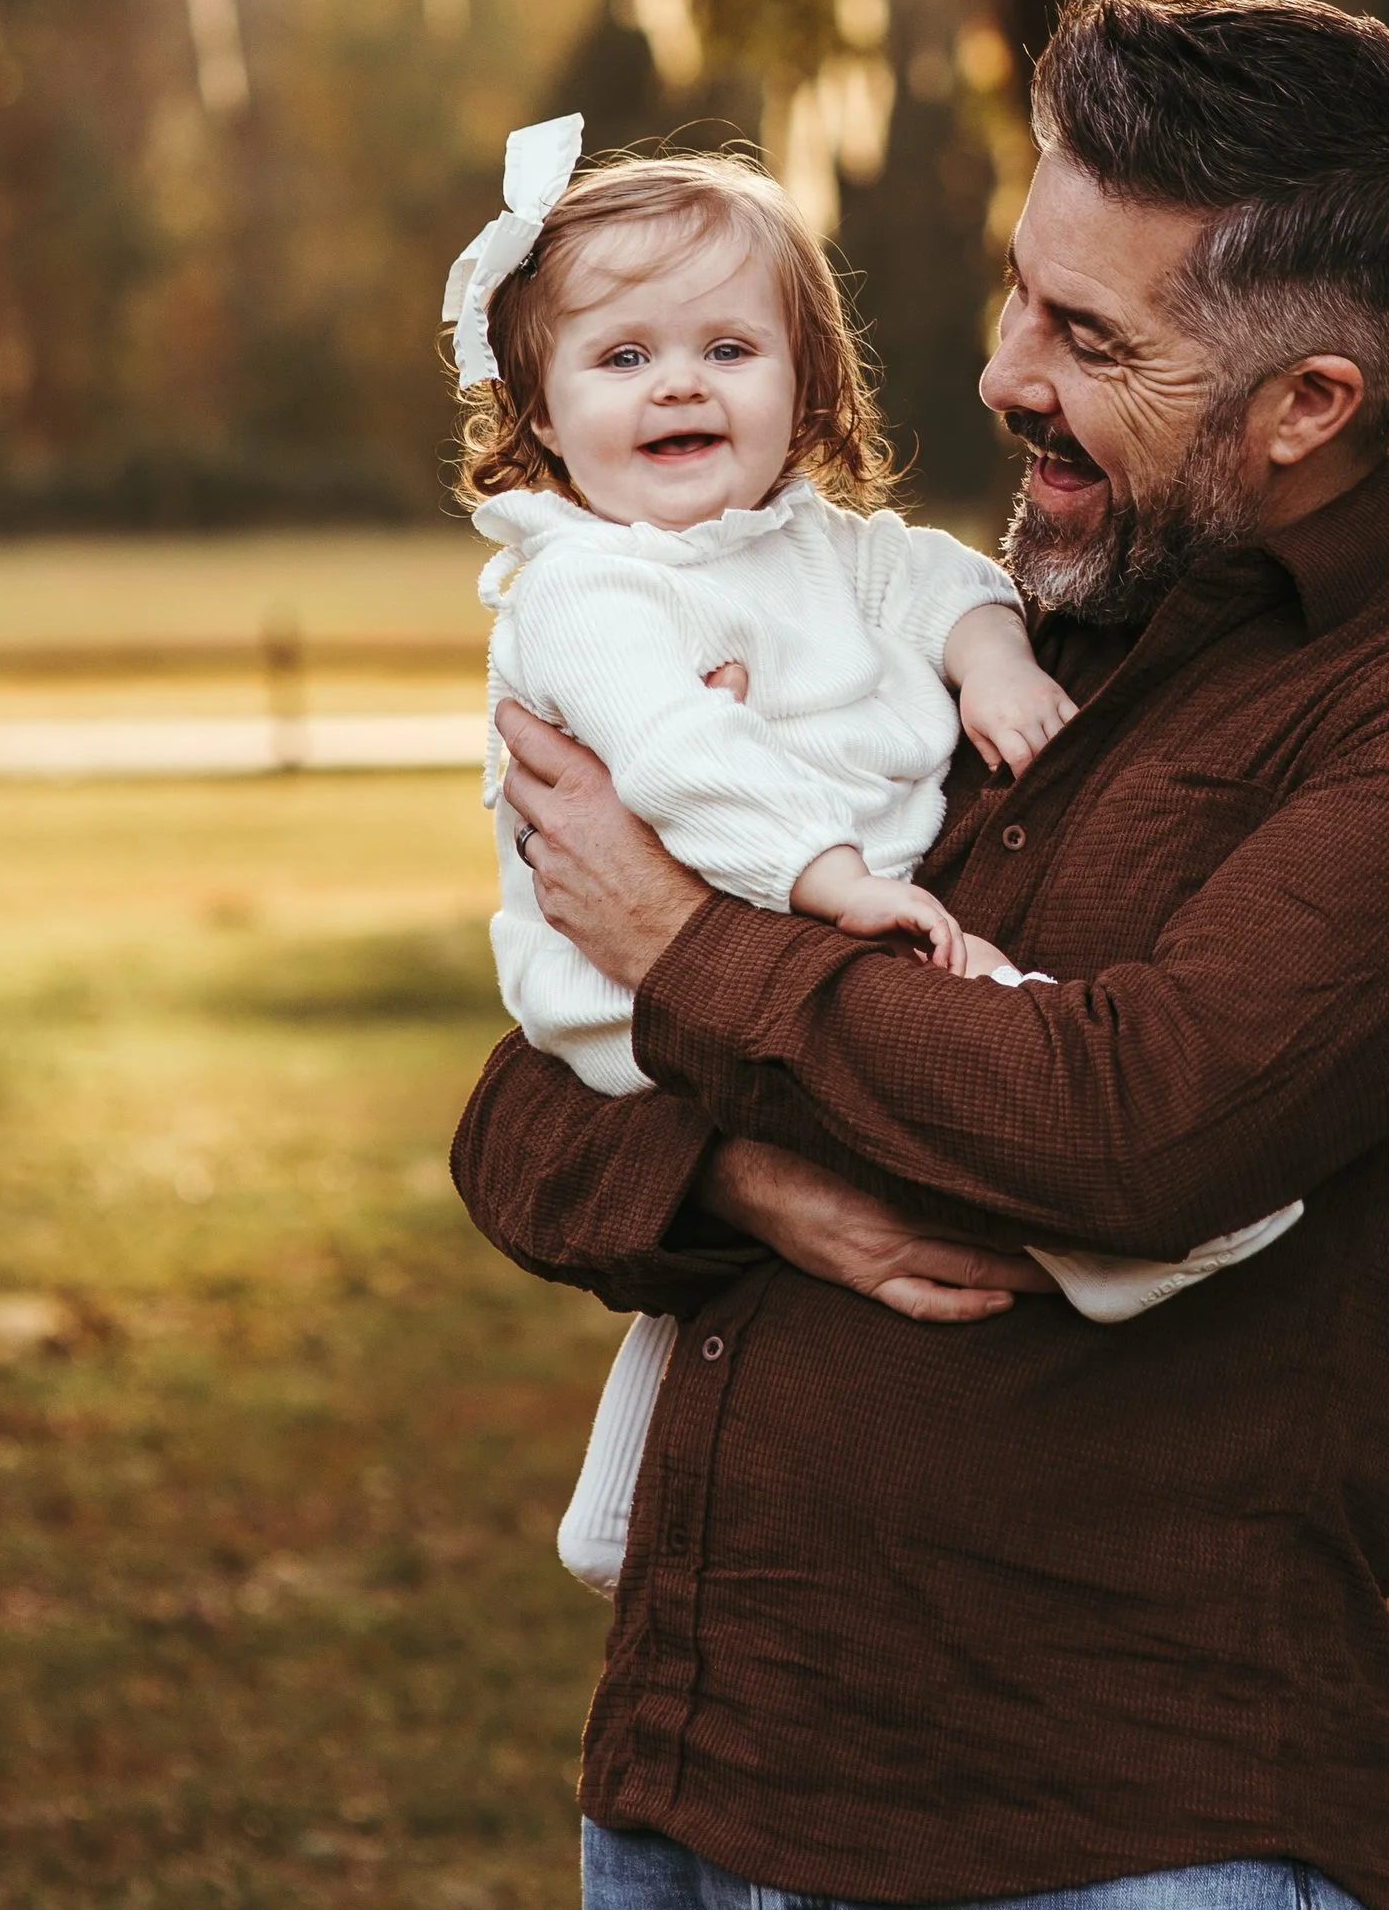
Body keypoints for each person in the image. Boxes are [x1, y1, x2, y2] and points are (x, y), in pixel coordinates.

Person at [452, 0, 1389, 1910]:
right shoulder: (943, 630)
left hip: (1120, 1883)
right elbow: (519, 1119)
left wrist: (687, 951)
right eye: (1018, 291)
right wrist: (757, 1173)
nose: (998, 374)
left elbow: (1128, 1129)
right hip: (700, 1825)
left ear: (1308, 402)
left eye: (1086, 337)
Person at [445, 122, 1298, 1589]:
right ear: (540, 406)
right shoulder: (588, 589)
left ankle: (614, 1512)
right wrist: (833, 880)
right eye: (624, 357)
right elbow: (677, 759)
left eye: (728, 348)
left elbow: (950, 581)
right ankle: (1136, 1243)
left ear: (807, 381)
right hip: (633, 972)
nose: (681, 384)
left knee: (794, 1165)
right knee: (988, 1020)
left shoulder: (816, 545)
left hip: (771, 925)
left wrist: (993, 665)